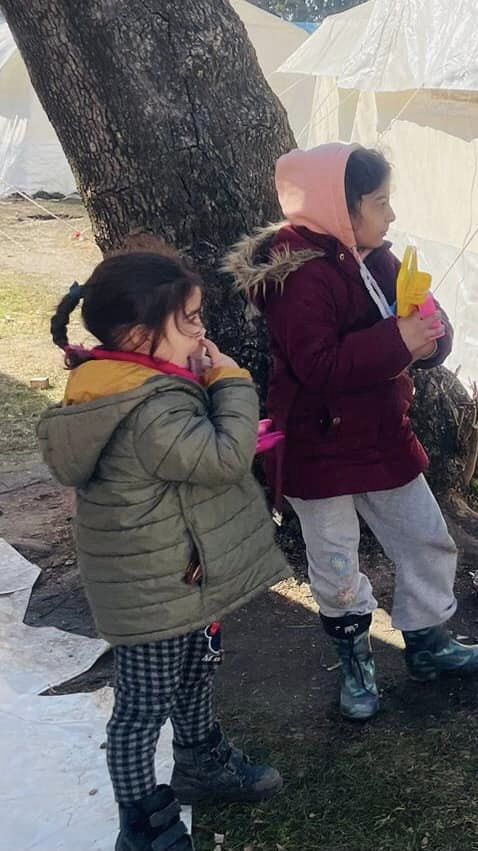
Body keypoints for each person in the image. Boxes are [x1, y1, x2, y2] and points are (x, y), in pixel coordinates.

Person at [225, 144, 478, 722]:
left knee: (425, 536)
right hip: (319, 445)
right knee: (336, 561)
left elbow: (422, 323)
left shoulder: (375, 259)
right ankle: (356, 663)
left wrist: (431, 334)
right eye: (381, 202)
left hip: (379, 435)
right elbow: (318, 366)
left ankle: (428, 642)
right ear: (340, 209)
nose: (391, 215)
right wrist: (401, 340)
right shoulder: (299, 276)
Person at [38, 245, 289, 851]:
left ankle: (201, 761)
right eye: (192, 318)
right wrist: (230, 380)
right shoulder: (150, 404)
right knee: (142, 706)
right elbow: (223, 459)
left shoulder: (132, 381)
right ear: (141, 334)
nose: (203, 330)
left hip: (181, 576)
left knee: (196, 671)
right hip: (155, 592)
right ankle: (142, 820)